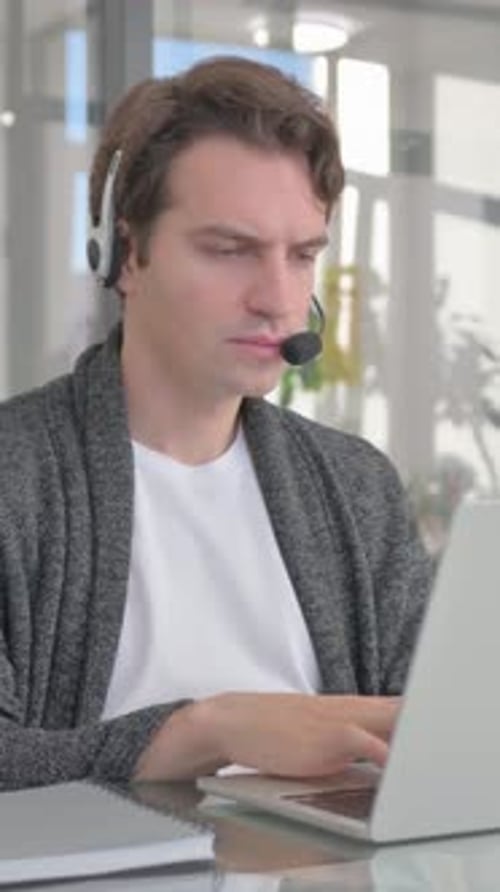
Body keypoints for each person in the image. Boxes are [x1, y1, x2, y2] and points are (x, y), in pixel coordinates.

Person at [0, 56, 430, 791]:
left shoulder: (356, 486)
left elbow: (438, 732)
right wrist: (212, 728)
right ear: (125, 254)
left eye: (302, 256)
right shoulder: (18, 477)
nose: (278, 299)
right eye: (230, 251)